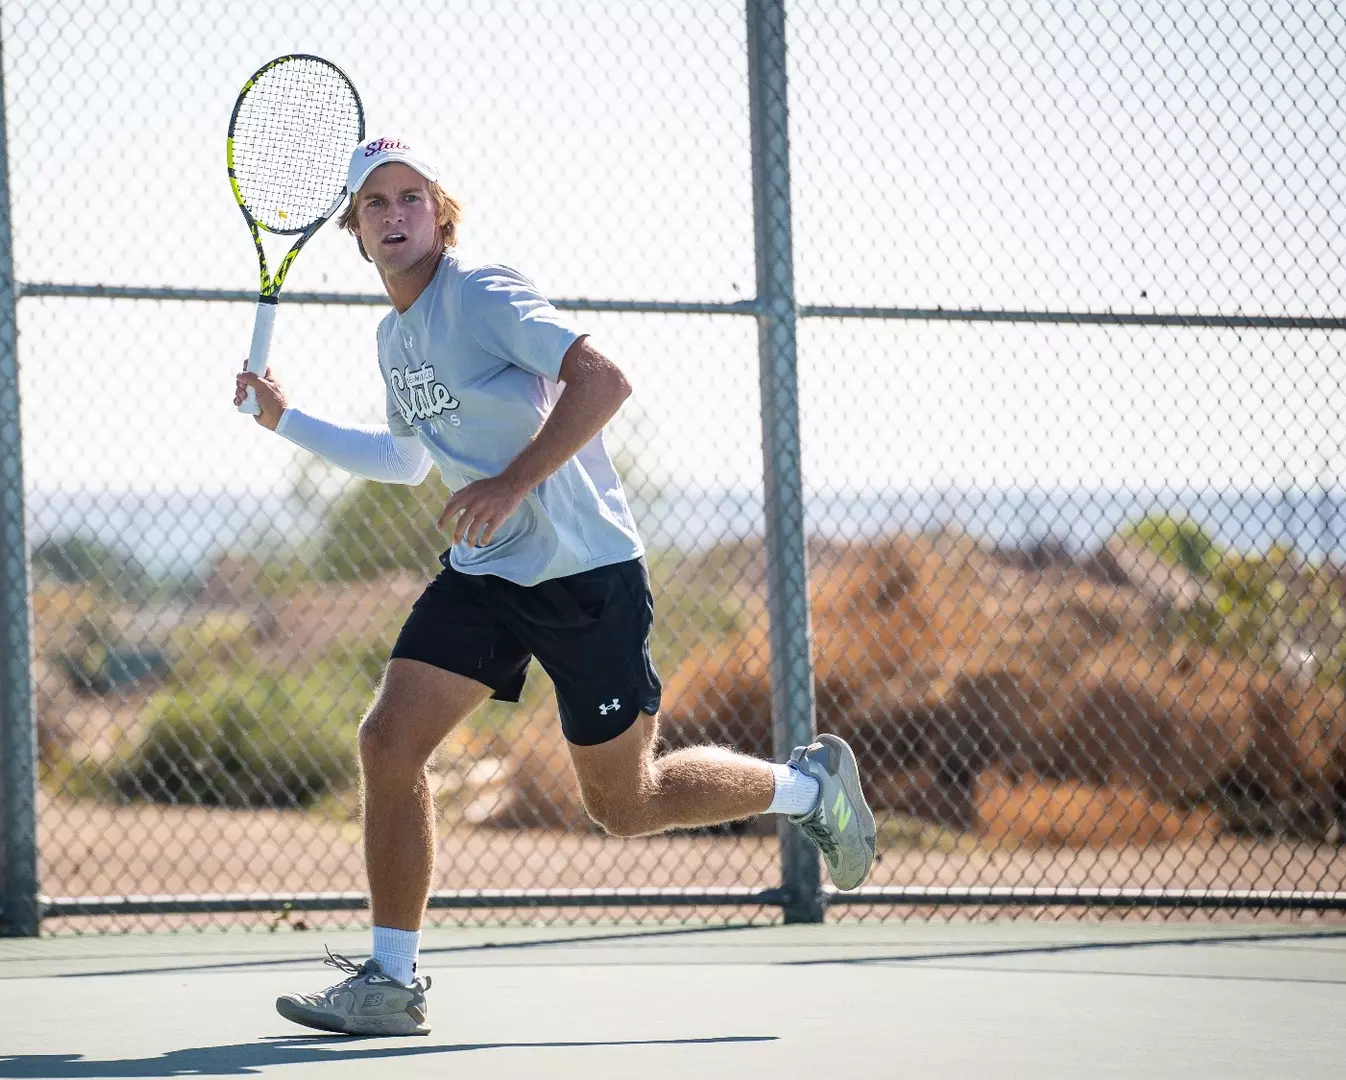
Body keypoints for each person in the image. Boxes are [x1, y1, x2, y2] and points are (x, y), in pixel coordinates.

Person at [233, 136, 876, 1037]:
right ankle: (390, 979)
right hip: (486, 573)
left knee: (624, 803)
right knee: (388, 742)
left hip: (584, 574)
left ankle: (811, 791)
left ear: (439, 213)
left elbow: (603, 378)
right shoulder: (395, 336)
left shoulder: (484, 293)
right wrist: (285, 419)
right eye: (375, 203)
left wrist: (513, 480)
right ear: (356, 228)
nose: (395, 214)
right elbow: (406, 458)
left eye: (411, 196)